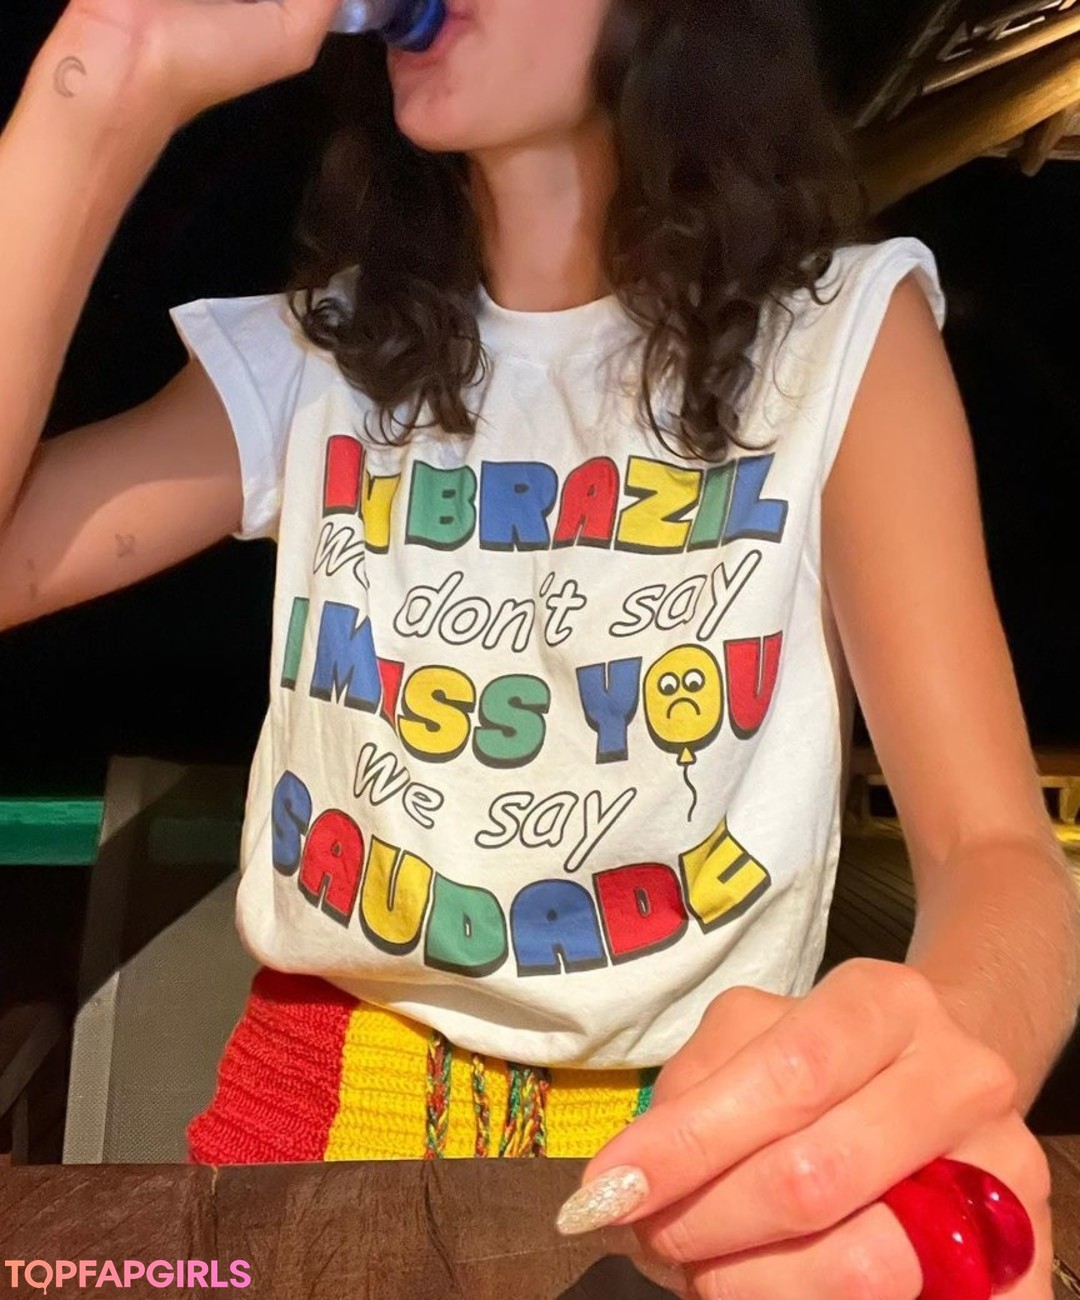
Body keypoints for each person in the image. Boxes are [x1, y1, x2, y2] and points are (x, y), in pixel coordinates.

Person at [1, 0, 1077, 1295]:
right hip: (302, 1136)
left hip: (699, 1150)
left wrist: (929, 1071)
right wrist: (96, 83)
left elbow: (994, 851)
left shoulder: (839, 339)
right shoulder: (321, 354)